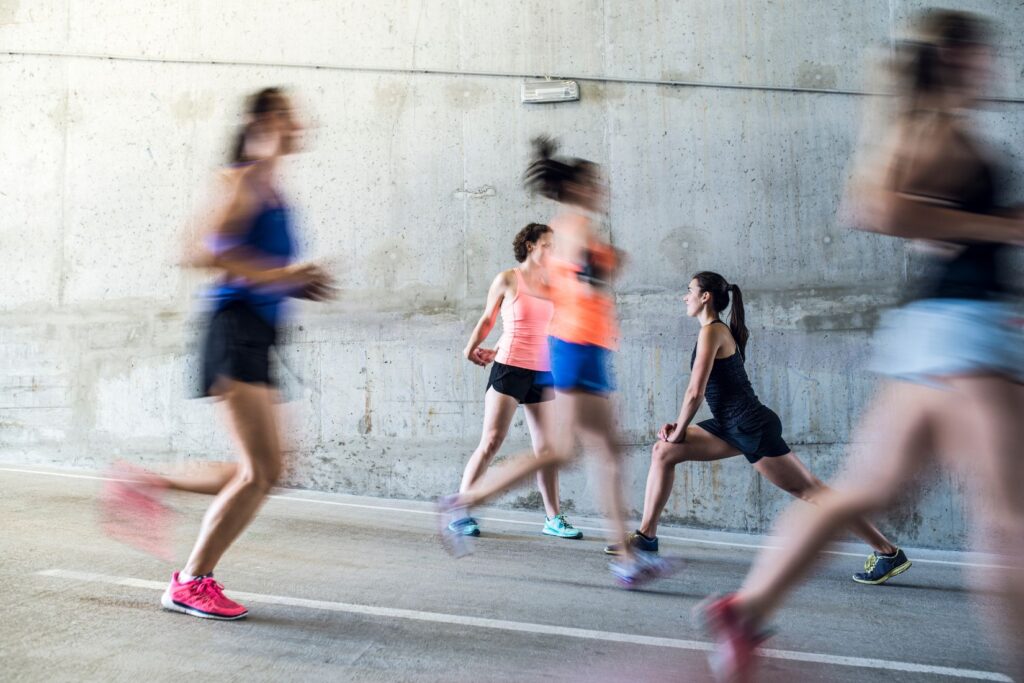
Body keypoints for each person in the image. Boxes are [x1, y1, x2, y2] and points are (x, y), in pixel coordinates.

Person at [698, 11, 1024, 680]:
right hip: (965, 337)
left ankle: (749, 607)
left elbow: (909, 215)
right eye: (982, 56)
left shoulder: (932, 127)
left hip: (933, 331)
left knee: (866, 489)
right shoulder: (938, 130)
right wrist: (1001, 226)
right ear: (957, 60)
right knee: (1008, 516)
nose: (992, 67)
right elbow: (875, 207)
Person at [106, 87, 334, 621]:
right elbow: (196, 250)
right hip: (232, 330)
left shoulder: (272, 189)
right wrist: (282, 277)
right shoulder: (243, 181)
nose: (298, 123)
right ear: (263, 121)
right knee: (259, 471)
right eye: (287, 115)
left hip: (257, 333)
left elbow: (247, 264)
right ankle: (191, 582)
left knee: (270, 471)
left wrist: (289, 285)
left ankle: (144, 481)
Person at [439, 137, 678, 587]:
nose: (601, 188)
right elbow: (586, 284)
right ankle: (462, 500)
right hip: (573, 348)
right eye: (595, 182)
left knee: (602, 453)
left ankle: (628, 558)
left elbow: (579, 282)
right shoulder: (571, 230)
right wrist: (608, 266)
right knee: (567, 452)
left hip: (583, 347)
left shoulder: (576, 229)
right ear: (578, 188)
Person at [606, 271, 910, 586]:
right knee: (663, 451)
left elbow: (695, 391)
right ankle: (646, 537)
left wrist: (681, 428)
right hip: (729, 425)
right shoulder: (712, 331)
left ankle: (888, 552)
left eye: (689, 290)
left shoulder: (712, 332)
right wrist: (678, 429)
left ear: (705, 296)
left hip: (752, 427)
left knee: (810, 491)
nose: (685, 296)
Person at [449, 222, 582, 540]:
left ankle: (553, 518)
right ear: (531, 245)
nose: (552, 251)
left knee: (546, 448)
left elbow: (546, 327)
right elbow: (488, 318)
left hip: (541, 371)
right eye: (547, 245)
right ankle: (461, 510)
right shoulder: (508, 278)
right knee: (492, 441)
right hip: (509, 368)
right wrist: (471, 349)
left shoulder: (551, 285)